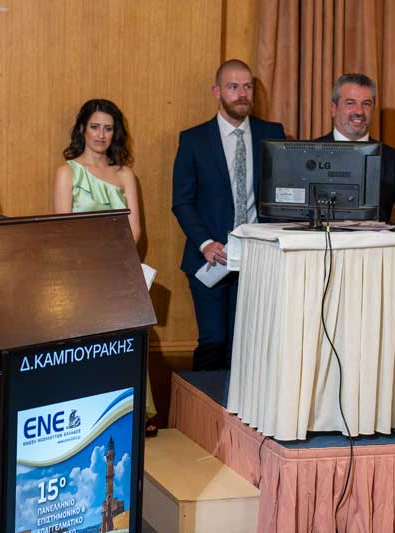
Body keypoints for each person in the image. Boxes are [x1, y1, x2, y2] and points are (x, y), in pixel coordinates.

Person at [172, 59, 285, 371]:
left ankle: (239, 405)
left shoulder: (272, 134)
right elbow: (181, 202)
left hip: (257, 258)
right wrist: (205, 243)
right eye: (233, 87)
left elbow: (284, 195)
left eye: (247, 87)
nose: (242, 94)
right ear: (217, 91)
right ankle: (203, 404)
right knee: (213, 343)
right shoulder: (193, 140)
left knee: (248, 347)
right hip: (211, 259)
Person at [53, 98, 157, 435]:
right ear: (82, 129)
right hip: (78, 278)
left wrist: (111, 266)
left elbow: (135, 231)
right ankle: (87, 421)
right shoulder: (67, 172)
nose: (101, 134)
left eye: (108, 128)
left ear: (116, 133)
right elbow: (62, 231)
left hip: (117, 276)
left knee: (124, 345)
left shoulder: (125, 174)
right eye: (95, 127)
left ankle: (128, 417)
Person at [314, 73, 395, 222]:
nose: (359, 111)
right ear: (333, 108)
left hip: (374, 237)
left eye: (366, 104)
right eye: (350, 103)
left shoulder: (393, 158)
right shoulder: (308, 153)